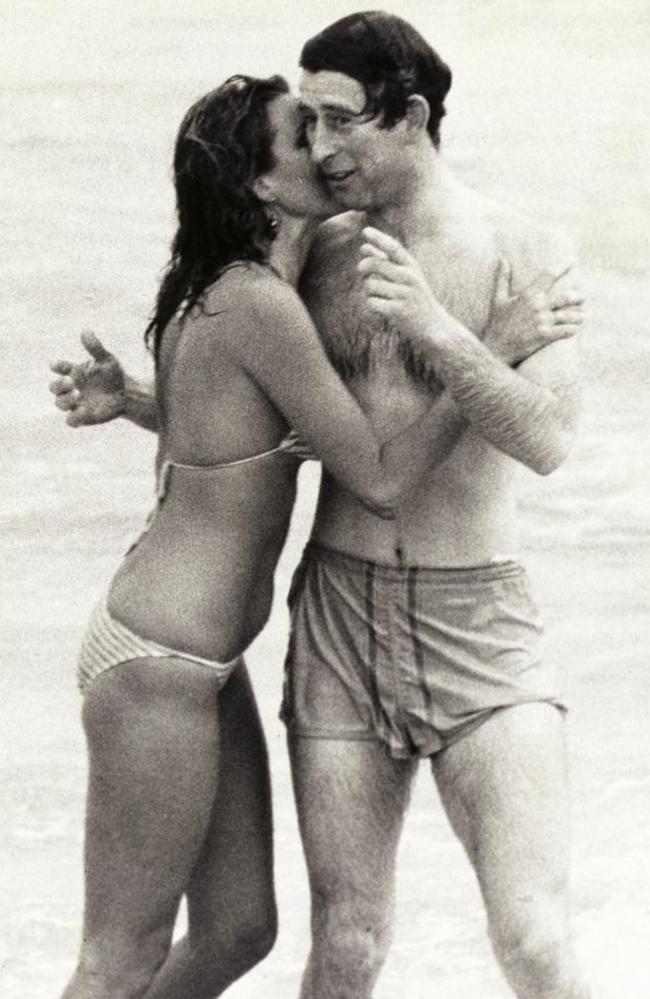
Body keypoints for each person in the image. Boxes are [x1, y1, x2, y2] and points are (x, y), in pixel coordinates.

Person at [49, 16, 588, 999]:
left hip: (358, 637)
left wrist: (135, 400)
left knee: (268, 933)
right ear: (265, 177)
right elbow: (325, 445)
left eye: (336, 123)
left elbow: (543, 441)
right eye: (307, 132)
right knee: (229, 949)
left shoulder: (492, 253)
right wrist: (486, 343)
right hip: (243, 640)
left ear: (411, 115)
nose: (326, 149)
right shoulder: (285, 277)